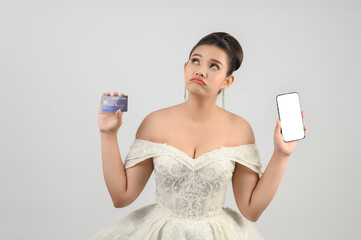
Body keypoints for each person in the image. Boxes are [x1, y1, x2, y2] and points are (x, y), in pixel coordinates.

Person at [92, 32, 307, 239]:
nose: (201, 71)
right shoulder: (154, 122)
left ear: (227, 81)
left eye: (214, 66)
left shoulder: (240, 129)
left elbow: (251, 210)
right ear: (185, 68)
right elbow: (121, 196)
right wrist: (107, 134)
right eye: (196, 61)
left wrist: (281, 155)